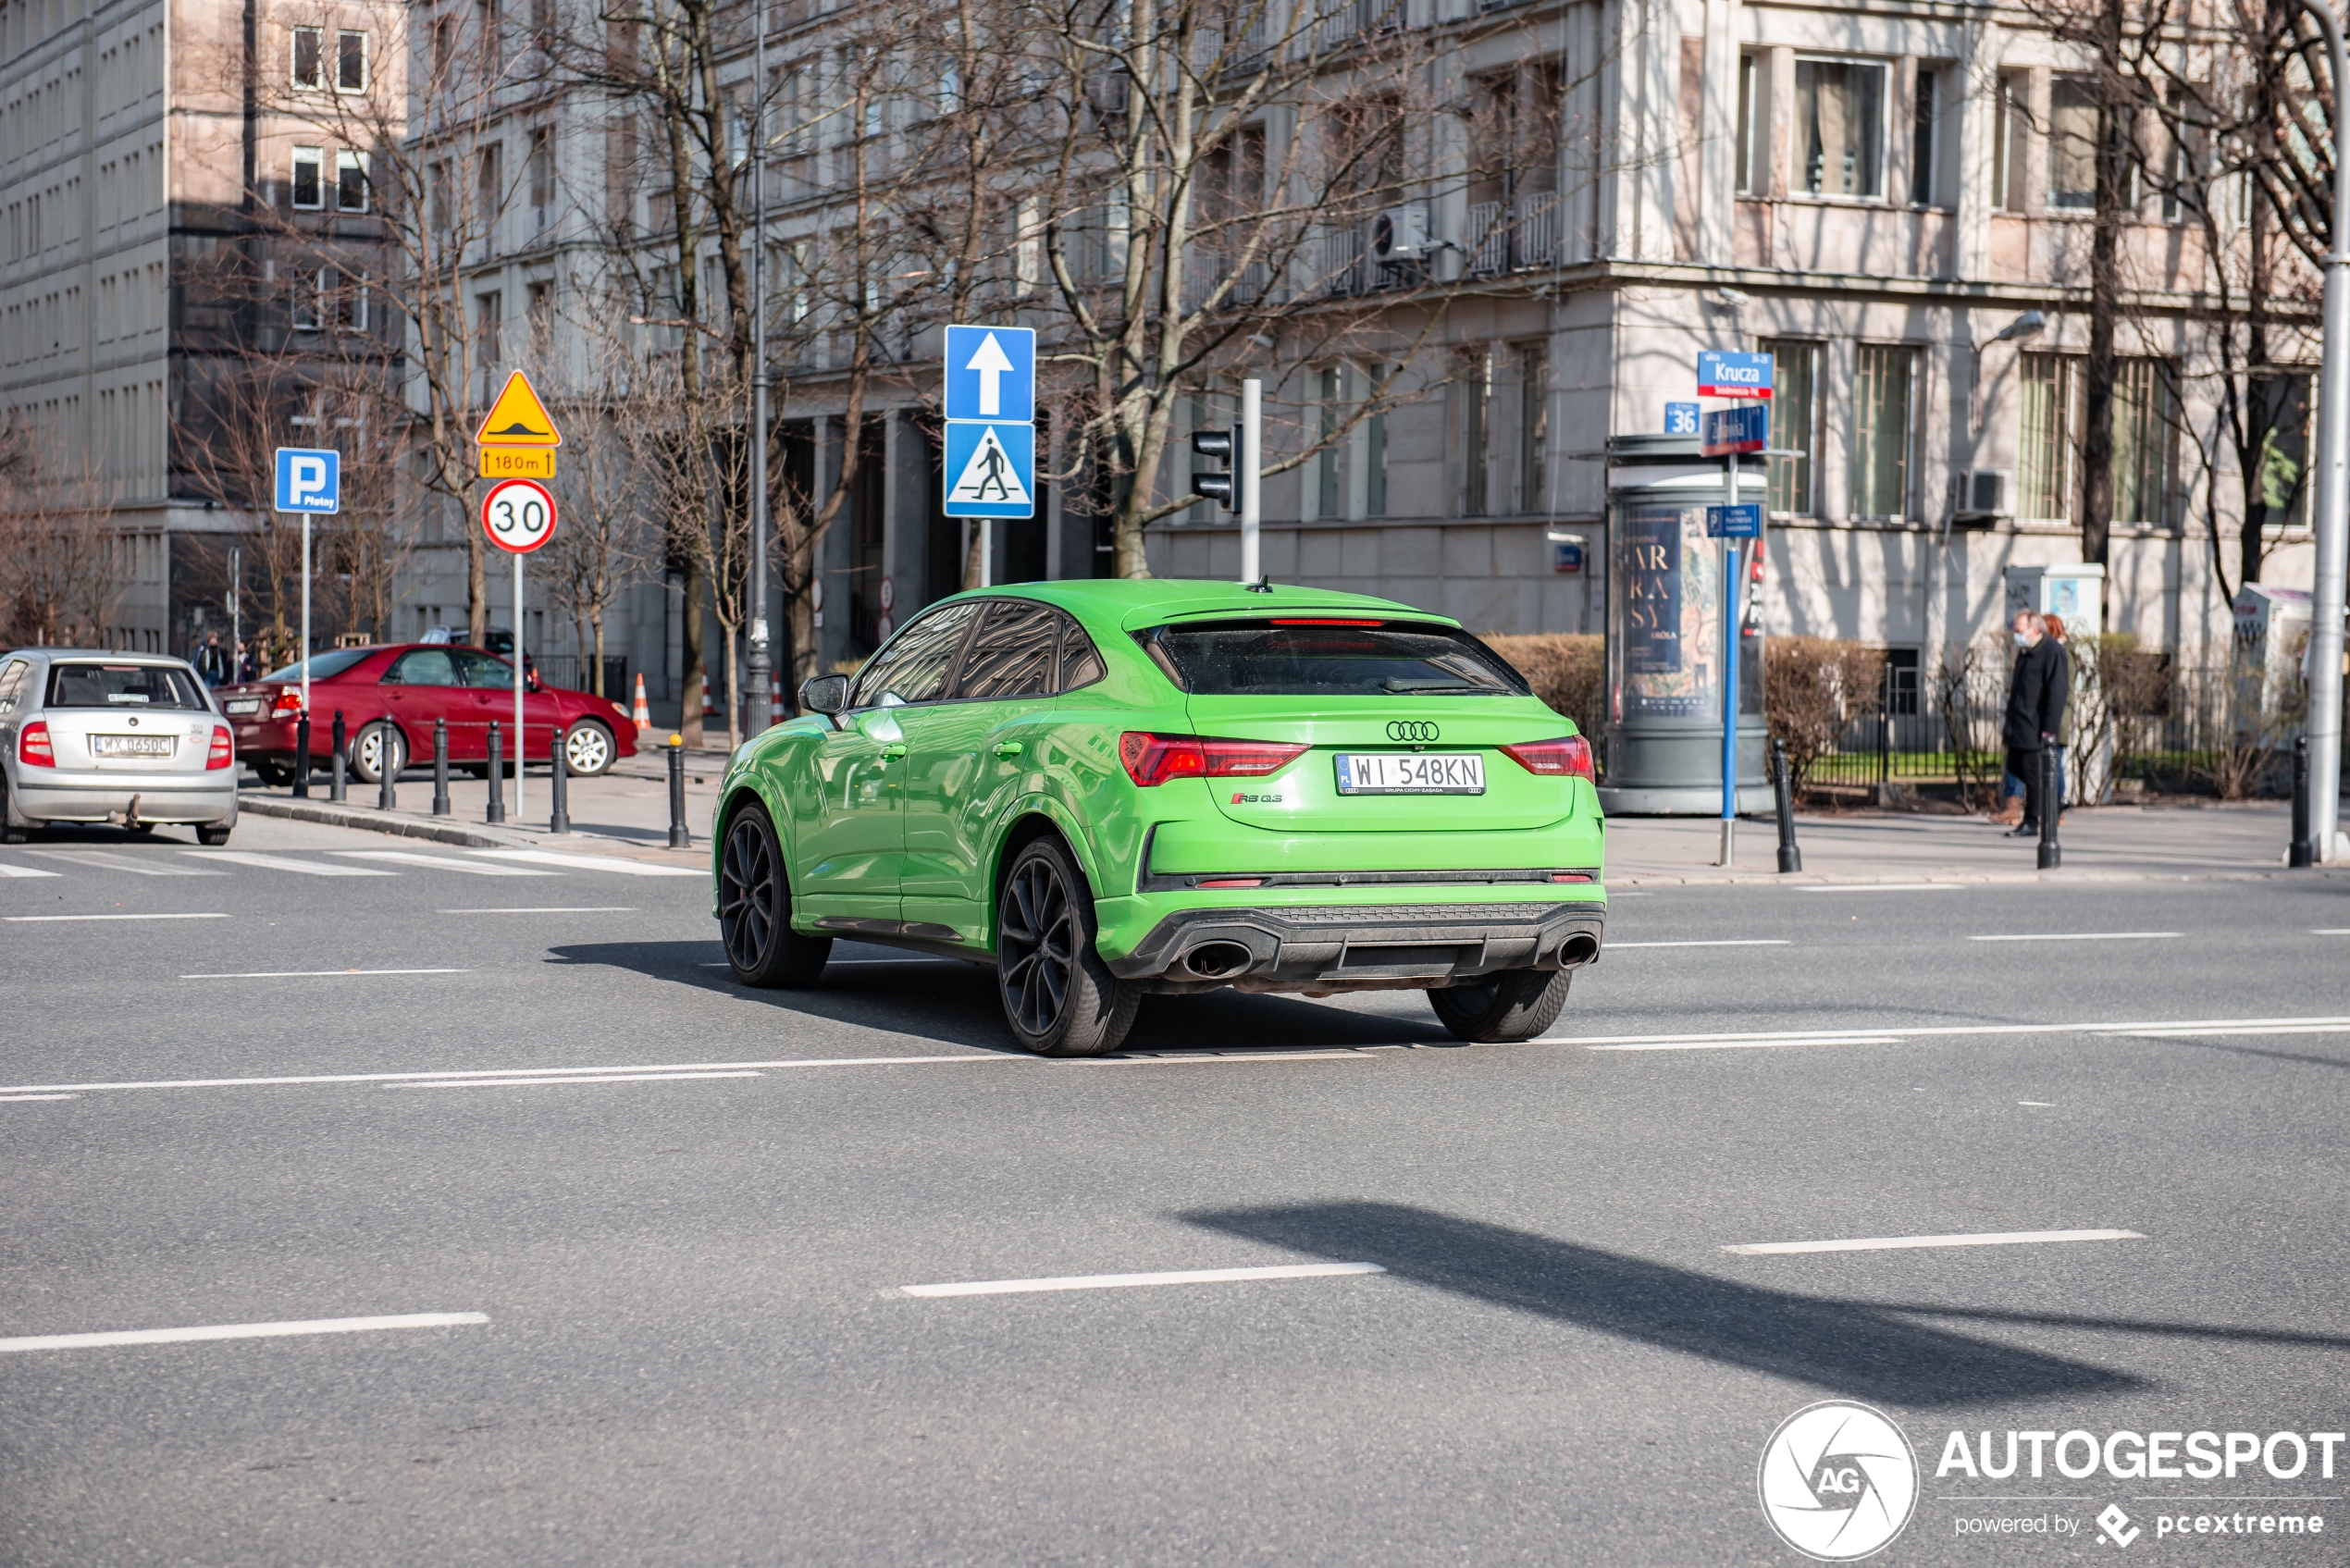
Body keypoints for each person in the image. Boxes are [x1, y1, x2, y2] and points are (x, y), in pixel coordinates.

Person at [2001, 608, 2069, 837]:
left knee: (2032, 774)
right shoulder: (2025, 651)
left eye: (2020, 630)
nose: (2016, 634)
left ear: (2035, 629)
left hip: (2035, 727)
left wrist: (2049, 729)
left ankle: (2032, 820)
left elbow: (2057, 693)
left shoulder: (2052, 652)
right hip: (2019, 726)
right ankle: (2055, 802)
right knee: (2014, 766)